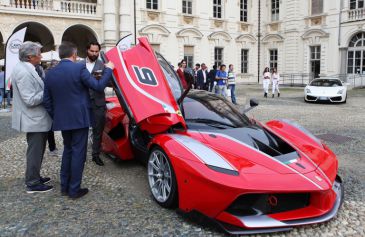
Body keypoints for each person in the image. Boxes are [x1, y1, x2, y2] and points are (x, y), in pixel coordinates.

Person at [43, 42, 114, 199]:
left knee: (68, 150)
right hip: (80, 118)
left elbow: (46, 101)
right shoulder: (79, 68)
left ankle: (64, 187)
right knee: (78, 153)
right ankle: (74, 189)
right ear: (74, 55)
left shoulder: (50, 73)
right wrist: (109, 69)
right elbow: (98, 85)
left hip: (63, 119)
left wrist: (57, 115)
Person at [11, 41, 53, 193]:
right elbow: (29, 100)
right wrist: (48, 91)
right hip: (33, 118)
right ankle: (33, 183)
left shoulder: (28, 68)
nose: (41, 56)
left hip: (36, 119)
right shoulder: (23, 71)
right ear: (30, 57)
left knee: (38, 149)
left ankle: (34, 176)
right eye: (39, 53)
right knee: (35, 151)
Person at [80, 41, 109, 166]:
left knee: (98, 130)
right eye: (92, 51)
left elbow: (109, 82)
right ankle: (81, 156)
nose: (94, 53)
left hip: (98, 102)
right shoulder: (79, 64)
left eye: (96, 51)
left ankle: (96, 155)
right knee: (81, 130)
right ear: (87, 50)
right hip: (83, 102)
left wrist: (103, 79)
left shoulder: (103, 65)